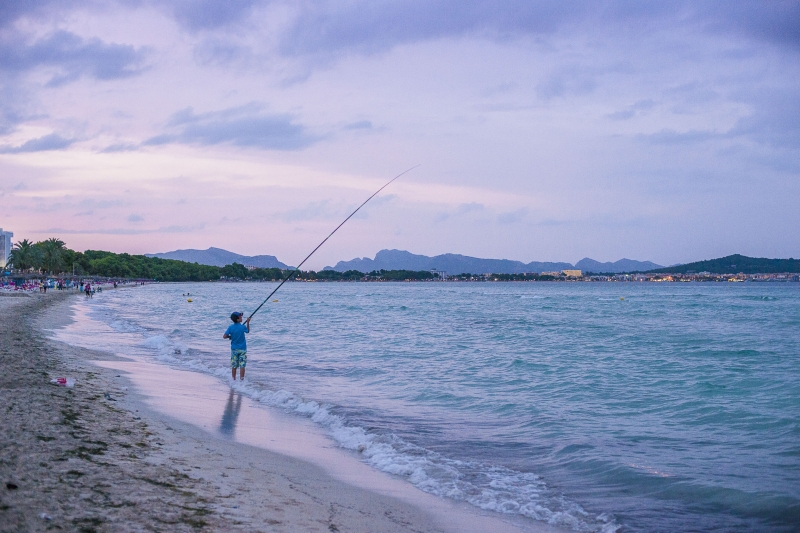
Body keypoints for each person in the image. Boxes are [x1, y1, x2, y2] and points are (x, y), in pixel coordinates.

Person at [223, 312, 251, 381]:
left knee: (234, 365)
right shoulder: (242, 327)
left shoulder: (230, 327)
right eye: (240, 317)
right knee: (242, 365)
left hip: (234, 349)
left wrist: (230, 336)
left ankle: (233, 380)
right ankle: (241, 381)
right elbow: (247, 331)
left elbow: (224, 336)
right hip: (242, 349)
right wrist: (248, 322)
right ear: (238, 319)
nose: (241, 318)